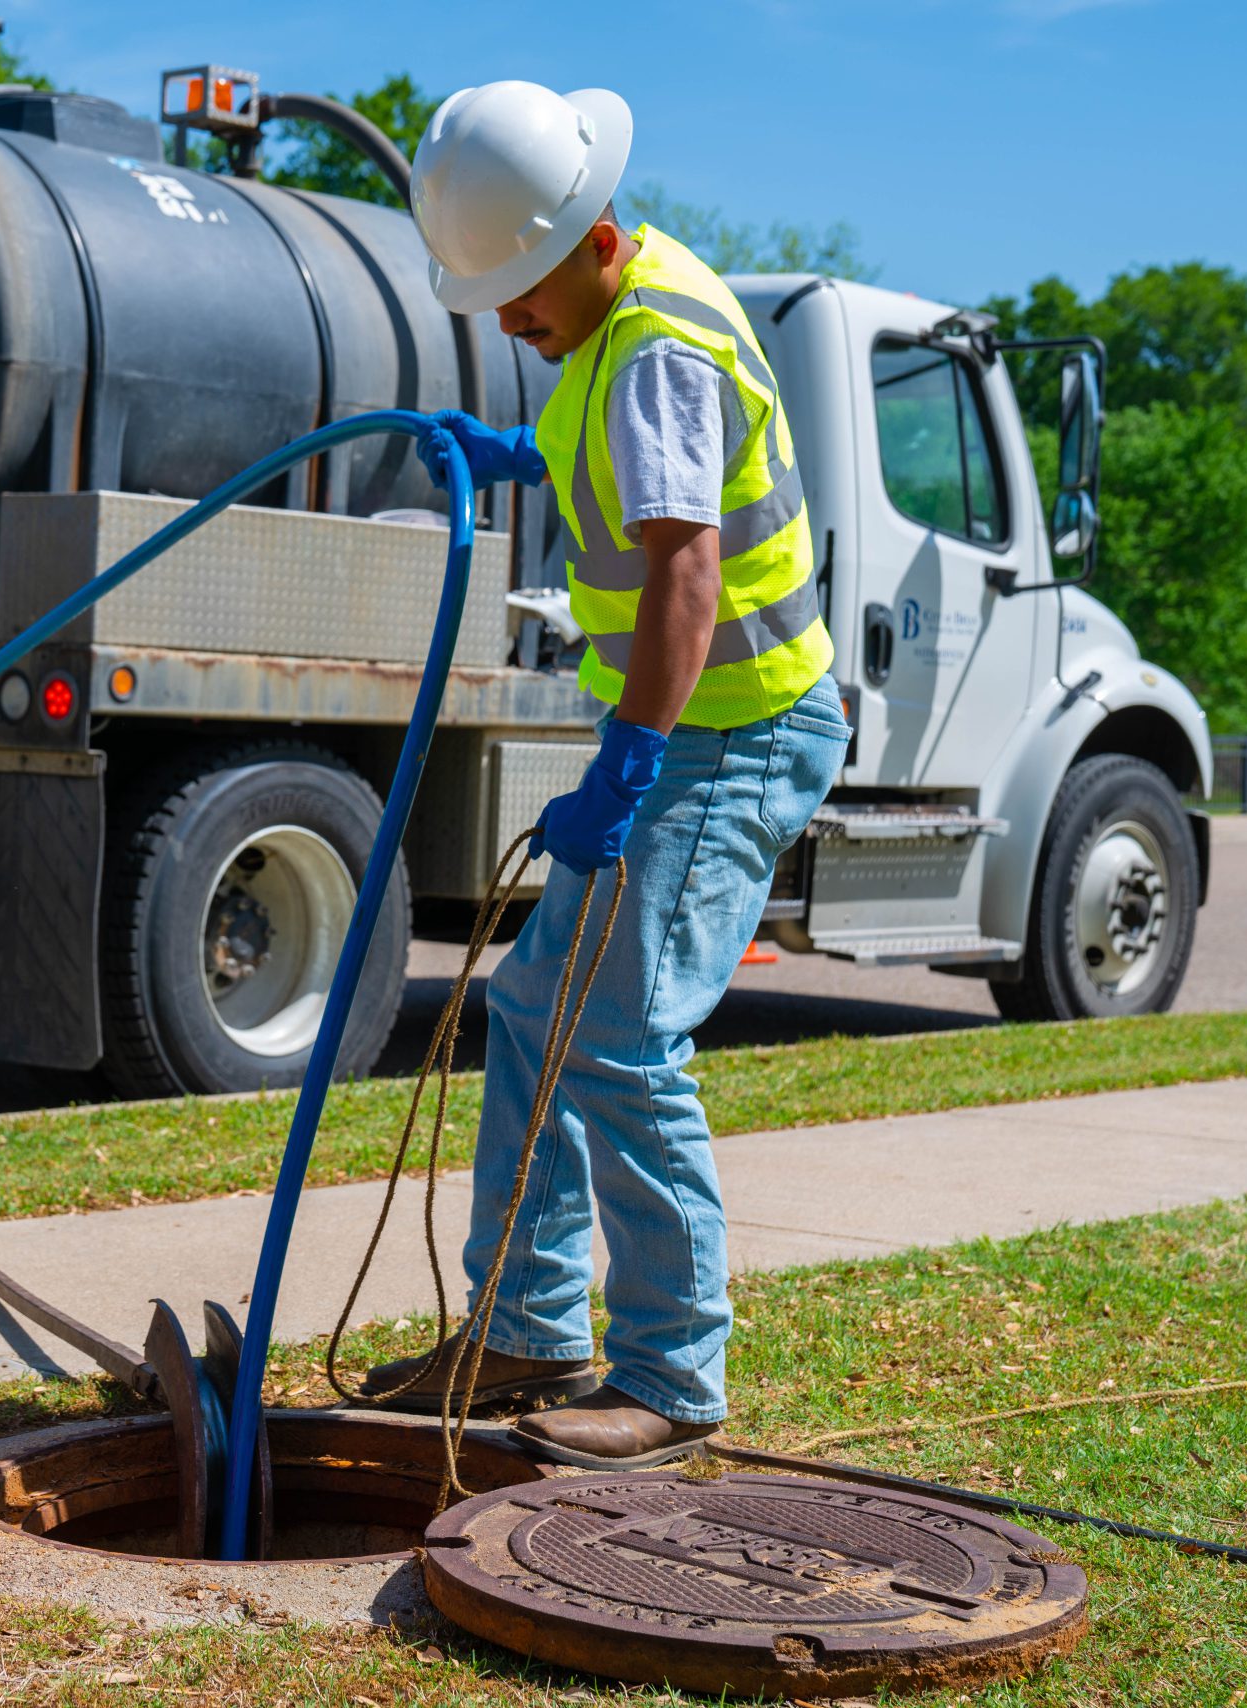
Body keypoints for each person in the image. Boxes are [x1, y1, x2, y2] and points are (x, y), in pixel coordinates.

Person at [359, 83, 851, 1467]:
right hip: (691, 732)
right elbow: (629, 485)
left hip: (734, 734)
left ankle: (673, 1377)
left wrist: (629, 759)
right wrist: (515, 450)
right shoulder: (615, 320)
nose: (507, 318)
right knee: (535, 1008)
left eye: (518, 289)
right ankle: (527, 1328)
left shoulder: (651, 349)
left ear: (589, 236)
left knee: (622, 1038)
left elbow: (687, 573)